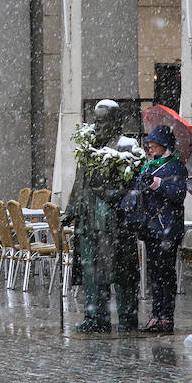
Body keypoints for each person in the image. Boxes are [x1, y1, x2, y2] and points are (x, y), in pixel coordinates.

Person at [66, 100, 140, 333]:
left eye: (102, 121)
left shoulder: (126, 147)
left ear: (116, 122)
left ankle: (127, 318)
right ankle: (95, 317)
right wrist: (70, 211)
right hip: (88, 222)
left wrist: (109, 193)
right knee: (91, 273)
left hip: (114, 224)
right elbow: (79, 184)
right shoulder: (88, 148)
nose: (97, 126)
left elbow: (133, 187)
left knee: (121, 273)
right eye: (95, 121)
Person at [124, 125, 187, 334]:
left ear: (164, 146)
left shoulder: (175, 166)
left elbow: (178, 194)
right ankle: (155, 314)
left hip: (167, 229)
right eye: (147, 146)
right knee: (154, 274)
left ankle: (166, 317)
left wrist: (157, 184)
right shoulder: (148, 166)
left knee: (166, 274)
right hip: (151, 228)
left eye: (153, 147)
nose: (149, 150)